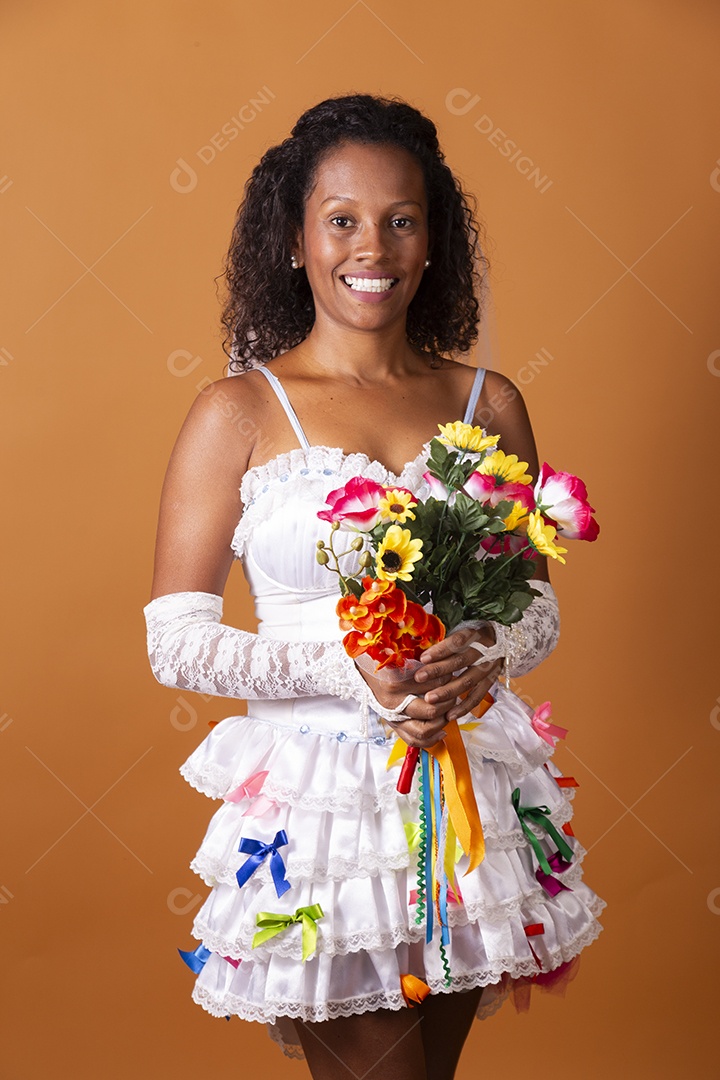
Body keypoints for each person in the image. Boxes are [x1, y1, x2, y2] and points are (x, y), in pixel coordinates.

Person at [143, 94, 604, 1080]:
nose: (375, 246)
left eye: (403, 218)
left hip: (469, 795)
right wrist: (355, 669)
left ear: (434, 239)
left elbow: (531, 601)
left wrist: (486, 650)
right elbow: (175, 638)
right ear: (296, 240)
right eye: (342, 218)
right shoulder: (237, 410)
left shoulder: (491, 401)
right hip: (323, 817)